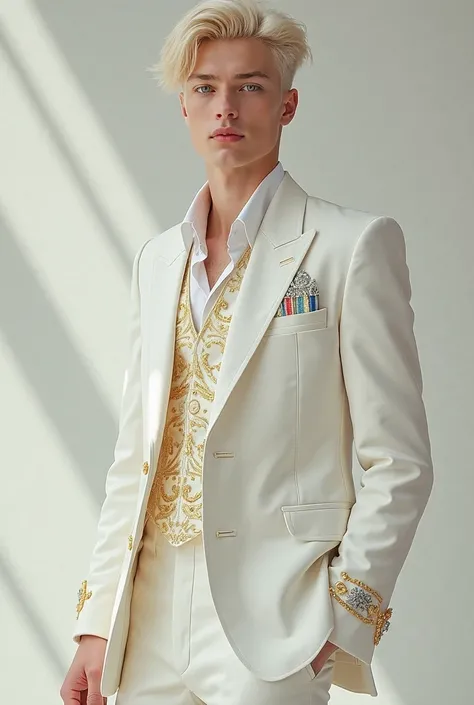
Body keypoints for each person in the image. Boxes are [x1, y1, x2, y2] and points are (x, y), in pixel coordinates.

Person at [60, 1, 433, 703]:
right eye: (205, 87)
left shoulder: (351, 246)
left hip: (277, 615)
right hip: (147, 614)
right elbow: (134, 455)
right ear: (184, 104)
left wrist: (347, 614)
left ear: (287, 105)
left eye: (250, 86)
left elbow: (400, 460)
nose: (225, 106)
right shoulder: (156, 260)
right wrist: (96, 623)